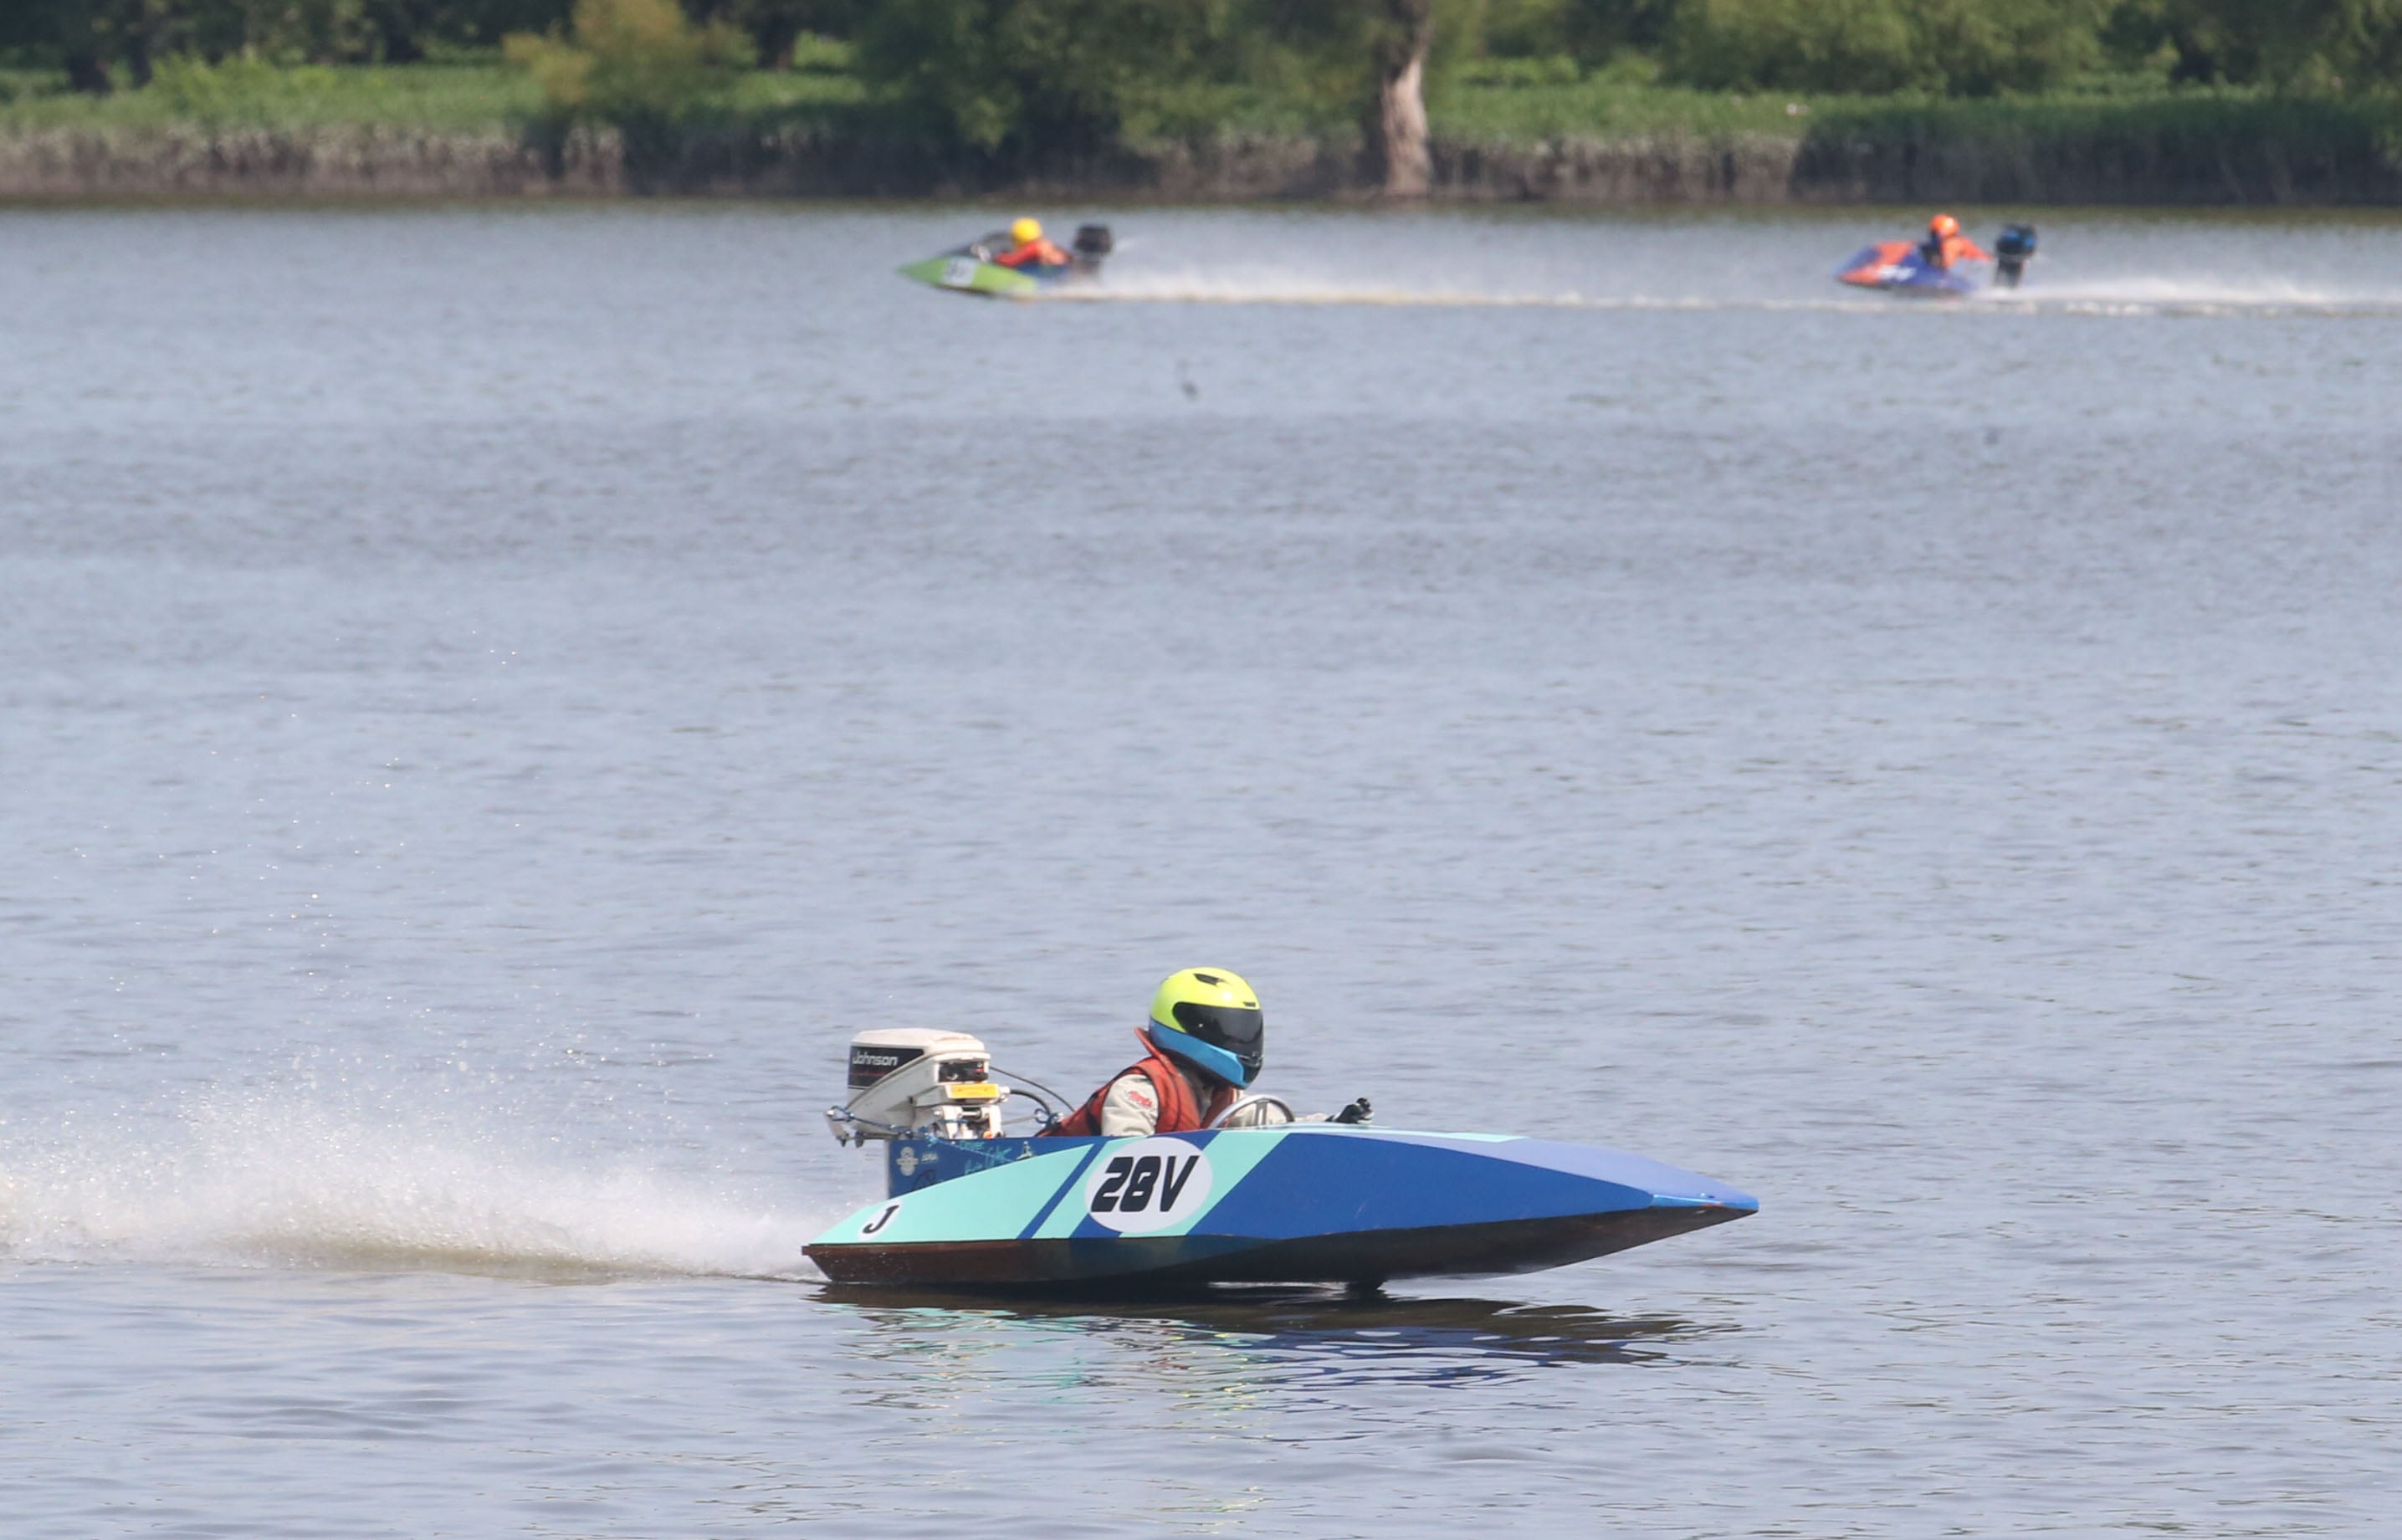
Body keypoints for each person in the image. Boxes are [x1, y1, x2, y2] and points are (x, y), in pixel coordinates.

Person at [1042, 969, 1370, 1138]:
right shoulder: (1139, 1091)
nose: (1241, 1040)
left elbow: (1276, 1129)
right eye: (1228, 1029)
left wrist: (1333, 1124)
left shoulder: (1223, 1095)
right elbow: (1118, 1160)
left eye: (1245, 1029)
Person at [994, 217, 1072, 272]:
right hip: (1065, 268)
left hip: (1058, 271)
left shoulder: (1032, 247)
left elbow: (1010, 262)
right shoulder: (1045, 243)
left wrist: (998, 257)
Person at [1918, 213, 1990, 270]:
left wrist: (1934, 262)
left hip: (1978, 271)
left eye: (1934, 233)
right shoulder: (1958, 241)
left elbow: (1947, 264)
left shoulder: (1952, 243)